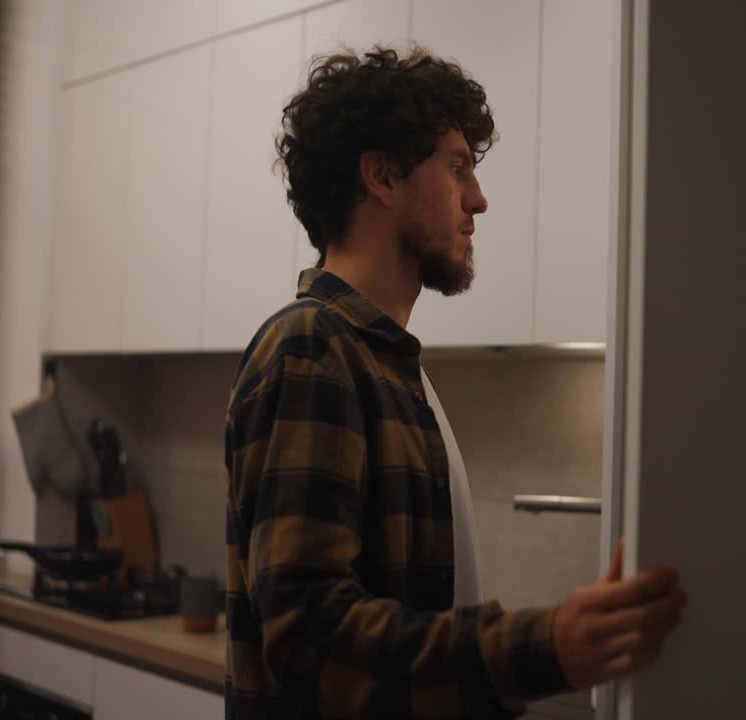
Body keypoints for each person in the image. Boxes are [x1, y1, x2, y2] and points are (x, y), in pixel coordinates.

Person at [224, 46, 687, 719]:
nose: (479, 199)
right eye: (458, 167)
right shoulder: (313, 348)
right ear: (381, 175)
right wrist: (548, 646)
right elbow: (311, 637)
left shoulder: (390, 366)